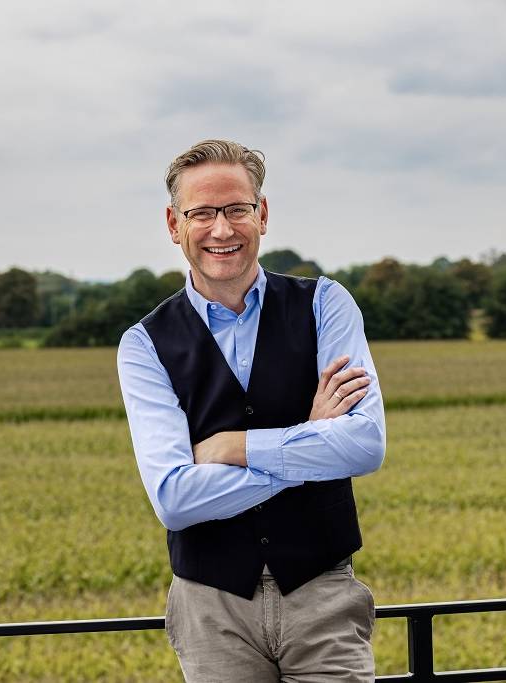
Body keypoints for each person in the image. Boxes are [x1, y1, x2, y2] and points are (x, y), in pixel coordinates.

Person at [117, 139, 385, 682]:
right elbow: (175, 500)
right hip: (210, 609)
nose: (222, 229)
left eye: (237, 209)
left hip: (323, 593)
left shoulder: (325, 304)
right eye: (202, 213)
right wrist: (310, 438)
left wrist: (234, 448)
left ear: (262, 214)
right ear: (174, 224)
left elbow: (364, 445)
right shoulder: (143, 344)